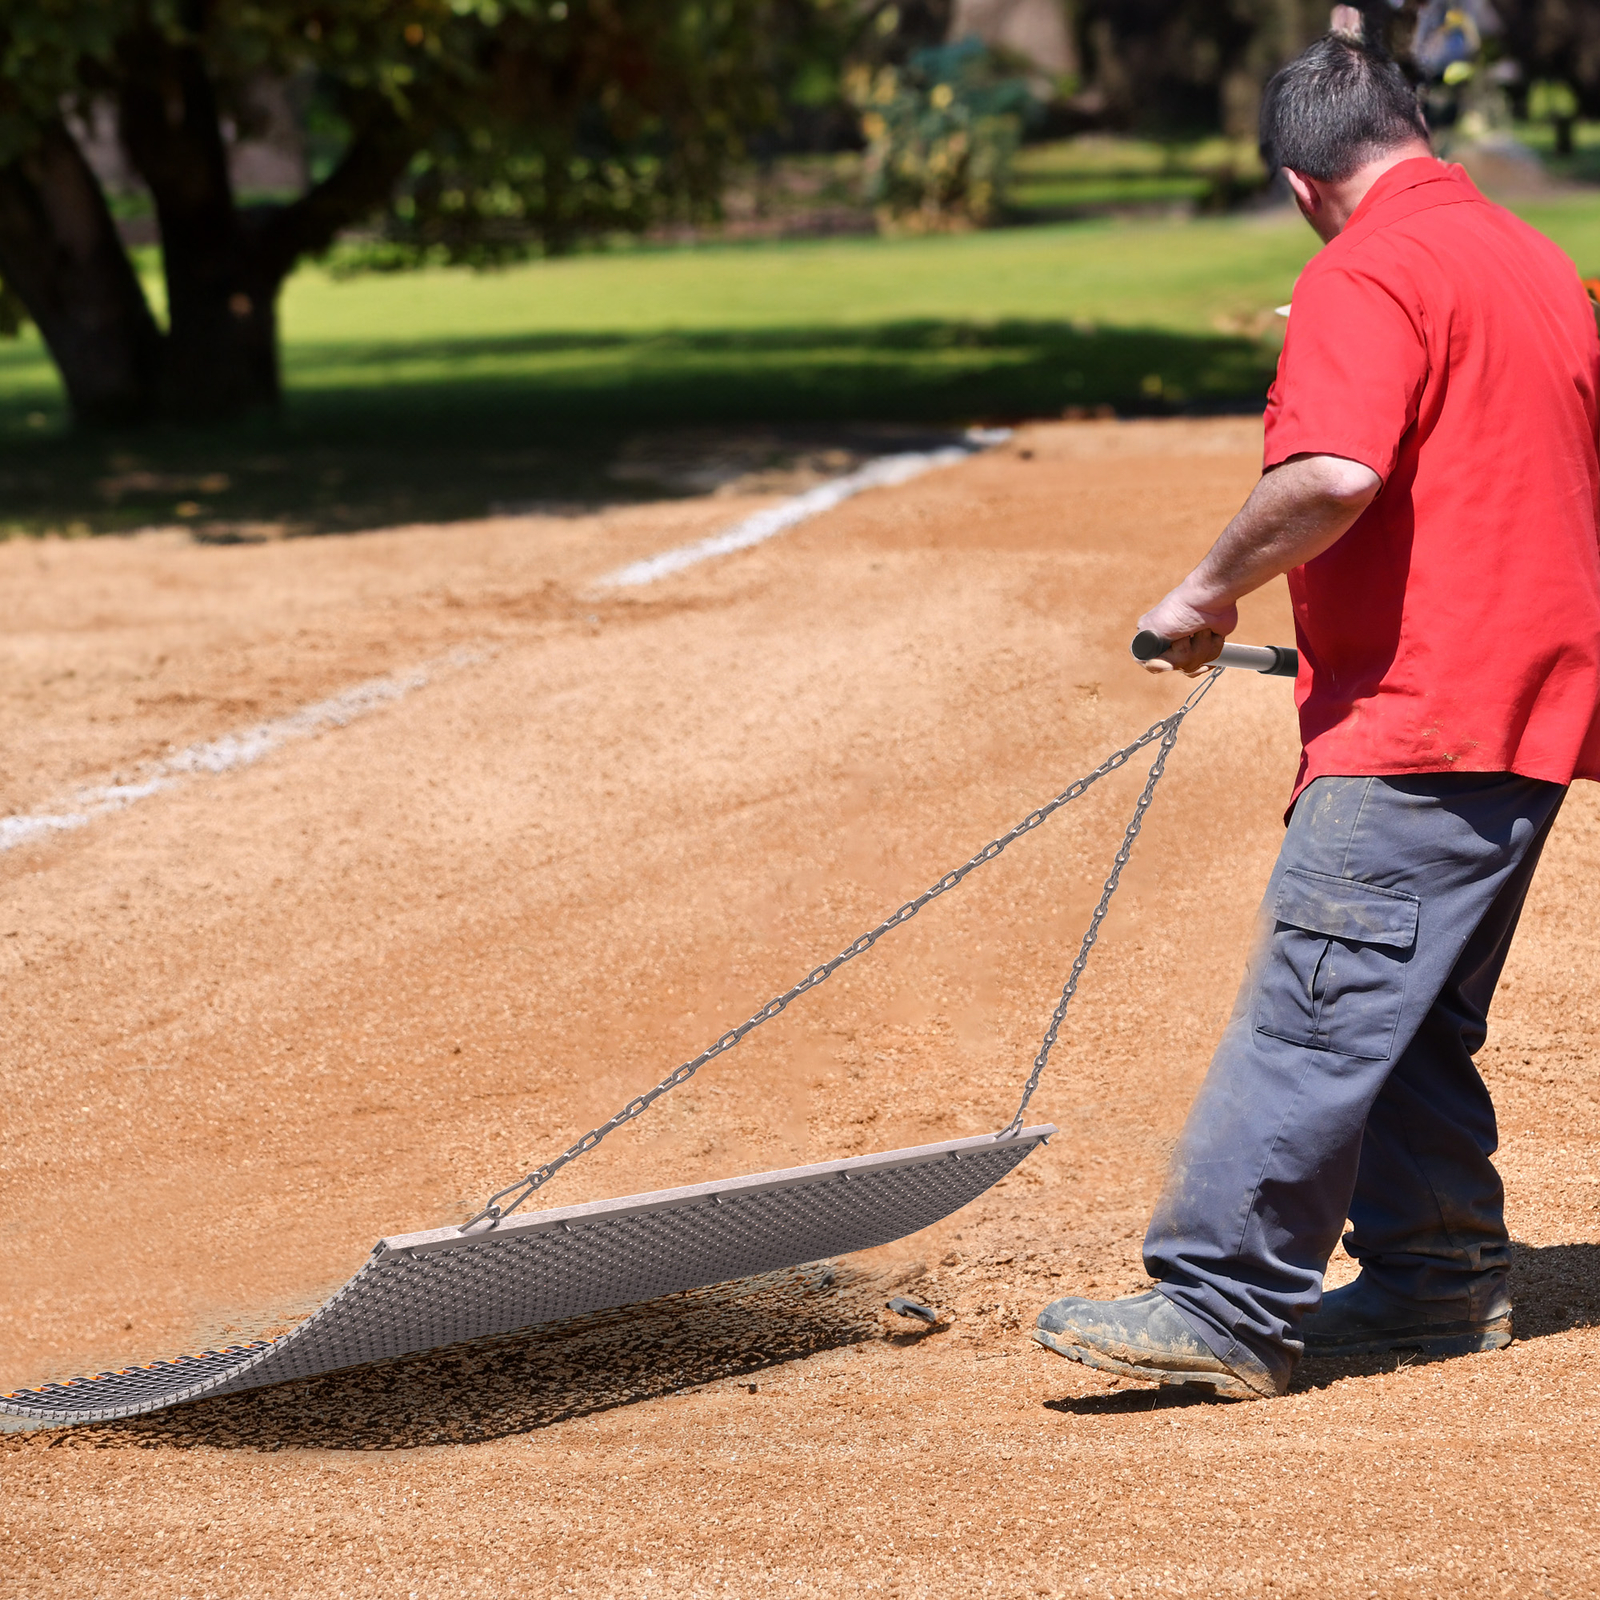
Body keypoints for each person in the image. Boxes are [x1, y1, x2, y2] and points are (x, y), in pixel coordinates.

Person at [1032, 33, 1600, 1401]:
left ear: (1301, 185)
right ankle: (1435, 1276)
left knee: (1321, 1001)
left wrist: (1207, 590)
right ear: (1412, 127)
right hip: (1534, 713)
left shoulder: (1363, 270)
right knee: (1403, 1014)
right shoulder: (1536, 259)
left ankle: (1226, 1302)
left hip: (1426, 716)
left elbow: (1336, 469)